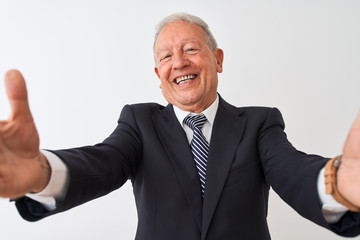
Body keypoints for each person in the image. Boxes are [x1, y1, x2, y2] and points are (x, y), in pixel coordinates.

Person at [1, 12, 360, 239]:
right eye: (166, 57)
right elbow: (103, 162)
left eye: (191, 49)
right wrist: (41, 173)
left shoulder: (259, 122)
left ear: (217, 59)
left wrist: (338, 183)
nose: (179, 63)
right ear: (159, 75)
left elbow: (290, 168)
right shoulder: (139, 123)